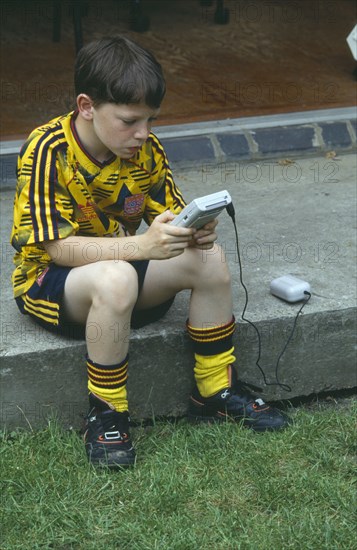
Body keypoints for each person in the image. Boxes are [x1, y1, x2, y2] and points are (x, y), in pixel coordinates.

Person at [11, 36, 289, 469]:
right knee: (116, 274)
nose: (143, 133)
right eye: (129, 120)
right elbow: (55, 248)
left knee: (207, 260)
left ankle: (215, 390)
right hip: (53, 286)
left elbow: (169, 217)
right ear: (87, 106)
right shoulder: (49, 150)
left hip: (121, 280)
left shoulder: (145, 150)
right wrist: (141, 246)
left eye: (150, 120)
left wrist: (193, 232)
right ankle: (107, 413)